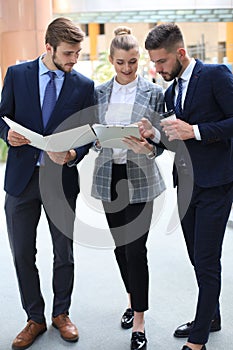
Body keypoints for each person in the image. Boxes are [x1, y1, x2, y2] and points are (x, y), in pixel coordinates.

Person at [133, 23, 233, 350]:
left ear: (180, 53)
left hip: (217, 183)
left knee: (206, 260)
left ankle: (198, 339)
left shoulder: (216, 75)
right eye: (153, 63)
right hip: (187, 186)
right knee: (195, 257)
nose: (156, 69)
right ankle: (211, 316)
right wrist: (154, 136)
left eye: (161, 62)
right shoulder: (171, 91)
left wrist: (197, 131)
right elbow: (173, 141)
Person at [0, 17, 95, 349]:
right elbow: (2, 116)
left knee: (63, 252)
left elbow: (90, 133)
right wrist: (6, 135)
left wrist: (72, 153)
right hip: (21, 180)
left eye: (77, 54)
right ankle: (35, 318)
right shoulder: (17, 75)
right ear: (49, 48)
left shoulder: (83, 86)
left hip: (61, 181)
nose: (73, 60)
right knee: (23, 252)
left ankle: (61, 314)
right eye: (68, 54)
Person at [91, 26, 165, 350]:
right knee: (120, 249)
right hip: (110, 177)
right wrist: (96, 138)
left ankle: (139, 322)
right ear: (111, 60)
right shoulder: (98, 94)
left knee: (136, 249)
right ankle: (131, 299)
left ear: (140, 60)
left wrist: (148, 145)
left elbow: (162, 142)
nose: (127, 69)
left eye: (133, 62)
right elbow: (92, 138)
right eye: (121, 62)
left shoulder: (153, 93)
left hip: (141, 179)